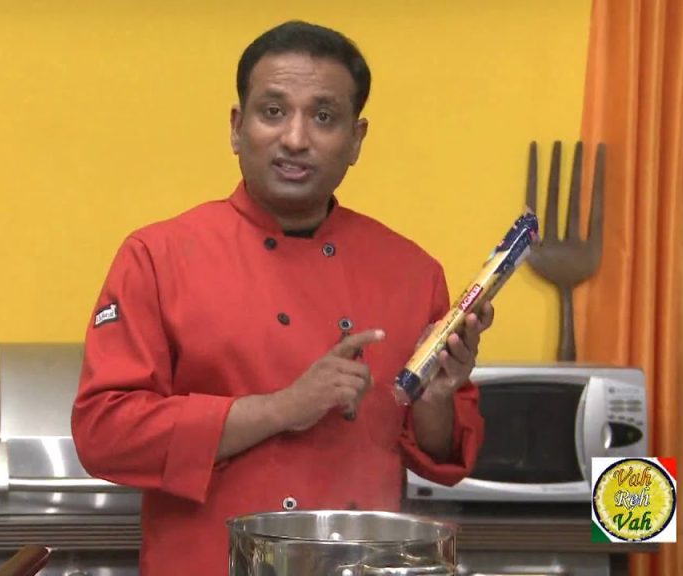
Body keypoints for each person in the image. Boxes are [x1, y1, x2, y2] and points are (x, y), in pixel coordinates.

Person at [71, 20, 488, 576]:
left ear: (356, 139)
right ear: (236, 127)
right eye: (273, 112)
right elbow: (105, 434)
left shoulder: (412, 271)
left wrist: (435, 398)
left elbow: (441, 458)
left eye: (323, 117)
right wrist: (283, 408)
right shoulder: (158, 256)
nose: (295, 138)